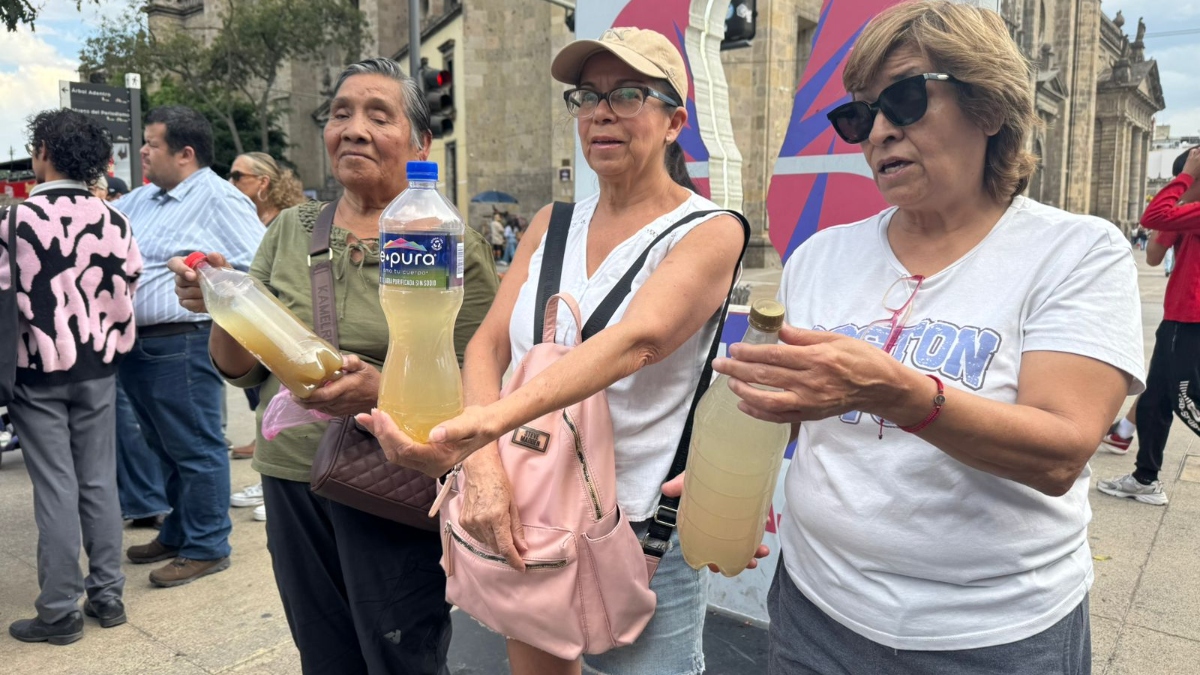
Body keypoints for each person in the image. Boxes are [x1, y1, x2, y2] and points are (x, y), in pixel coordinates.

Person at [706, 3, 1143, 672]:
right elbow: (795, 417)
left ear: (989, 107)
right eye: (859, 116)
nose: (878, 131)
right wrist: (725, 466)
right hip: (815, 613)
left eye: (905, 100)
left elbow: (1060, 451)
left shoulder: (1076, 252)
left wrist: (901, 394)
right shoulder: (820, 256)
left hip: (992, 639)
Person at [358, 28, 748, 675]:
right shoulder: (551, 222)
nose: (602, 111)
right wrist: (482, 467)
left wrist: (483, 422)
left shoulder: (710, 230)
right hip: (531, 508)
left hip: (637, 525)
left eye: (629, 94)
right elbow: (485, 345)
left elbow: (636, 342)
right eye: (587, 95)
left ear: (675, 120)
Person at [167, 57, 498, 674]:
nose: (354, 128)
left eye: (379, 114)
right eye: (341, 113)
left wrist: (386, 391)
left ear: (420, 142)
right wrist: (218, 300)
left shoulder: (445, 240)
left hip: (394, 477)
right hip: (293, 473)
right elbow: (240, 368)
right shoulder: (293, 230)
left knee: (403, 652)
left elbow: (483, 375)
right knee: (323, 653)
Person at [2, 109, 142, 645]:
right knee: (98, 479)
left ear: (42, 151)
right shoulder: (116, 219)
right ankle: (107, 594)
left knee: (54, 486)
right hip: (99, 366)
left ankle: (59, 610)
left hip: (37, 371)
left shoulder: (15, 220)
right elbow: (130, 280)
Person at [113, 105, 264, 587]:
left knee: (195, 447)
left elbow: (260, 265)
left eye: (152, 144)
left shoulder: (219, 198)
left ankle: (207, 544)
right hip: (138, 344)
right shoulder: (141, 200)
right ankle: (179, 530)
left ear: (185, 153)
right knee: (163, 447)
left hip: (184, 342)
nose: (142, 150)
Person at [1098, 146, 1200, 504]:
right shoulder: (1190, 216)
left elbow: (1152, 213)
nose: (1179, 188)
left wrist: (1184, 179)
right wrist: (1178, 213)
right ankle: (1145, 478)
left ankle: (1143, 471)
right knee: (1155, 399)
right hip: (1177, 318)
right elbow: (1155, 255)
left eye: (1183, 181)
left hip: (1192, 319)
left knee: (1187, 399)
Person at [224, 152, 309, 520]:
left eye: (237, 175)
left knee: (275, 406)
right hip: (247, 336)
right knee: (262, 405)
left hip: (275, 337)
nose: (230, 183)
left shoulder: (283, 226)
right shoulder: (256, 221)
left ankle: (270, 480)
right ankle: (268, 475)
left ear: (262, 183)